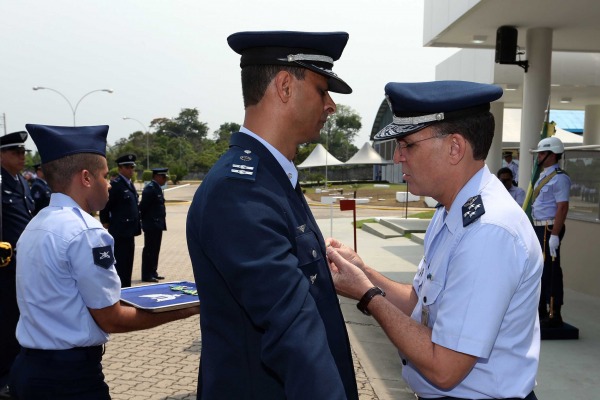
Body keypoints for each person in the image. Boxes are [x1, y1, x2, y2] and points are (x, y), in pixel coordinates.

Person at [326, 81, 542, 400]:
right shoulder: (450, 212)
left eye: (408, 144)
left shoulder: (488, 231)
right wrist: (363, 270)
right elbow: (419, 304)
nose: (398, 157)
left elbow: (445, 369)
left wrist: (366, 294)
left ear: (454, 148)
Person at [186, 31, 358, 399]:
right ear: (284, 86)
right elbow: (293, 332)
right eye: (322, 89)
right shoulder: (241, 190)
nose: (331, 105)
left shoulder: (271, 178)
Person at [10, 124, 199, 400]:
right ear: (86, 178)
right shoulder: (88, 232)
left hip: (27, 370)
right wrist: (189, 307)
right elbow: (112, 319)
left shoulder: (37, 223)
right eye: (104, 174)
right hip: (69, 380)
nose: (109, 183)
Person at [0, 132, 34, 398]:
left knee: (17, 317)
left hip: (21, 264)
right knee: (5, 319)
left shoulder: (21, 181)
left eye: (24, 152)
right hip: (3, 265)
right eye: (16, 152)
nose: (22, 157)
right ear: (1, 155)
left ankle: (15, 371)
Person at [531, 136, 571, 328]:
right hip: (539, 227)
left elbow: (562, 207)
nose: (538, 156)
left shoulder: (560, 178)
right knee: (541, 270)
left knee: (551, 271)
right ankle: (540, 309)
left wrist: (555, 234)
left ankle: (554, 312)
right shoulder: (543, 174)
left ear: (552, 154)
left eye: (541, 153)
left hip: (549, 228)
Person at [99, 154, 141, 287]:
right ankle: (121, 290)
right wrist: (105, 221)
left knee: (128, 262)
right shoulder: (116, 185)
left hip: (130, 231)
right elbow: (105, 205)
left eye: (132, 167)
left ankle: (127, 287)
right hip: (120, 231)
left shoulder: (129, 184)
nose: (131, 170)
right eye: (128, 167)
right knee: (121, 264)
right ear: (120, 168)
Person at [139, 168, 168, 283]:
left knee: (155, 249)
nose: (165, 179)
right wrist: (146, 221)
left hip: (157, 224)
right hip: (151, 224)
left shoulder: (157, 188)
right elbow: (143, 207)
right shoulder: (150, 189)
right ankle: (146, 274)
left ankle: (153, 271)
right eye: (164, 177)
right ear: (157, 176)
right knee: (149, 250)